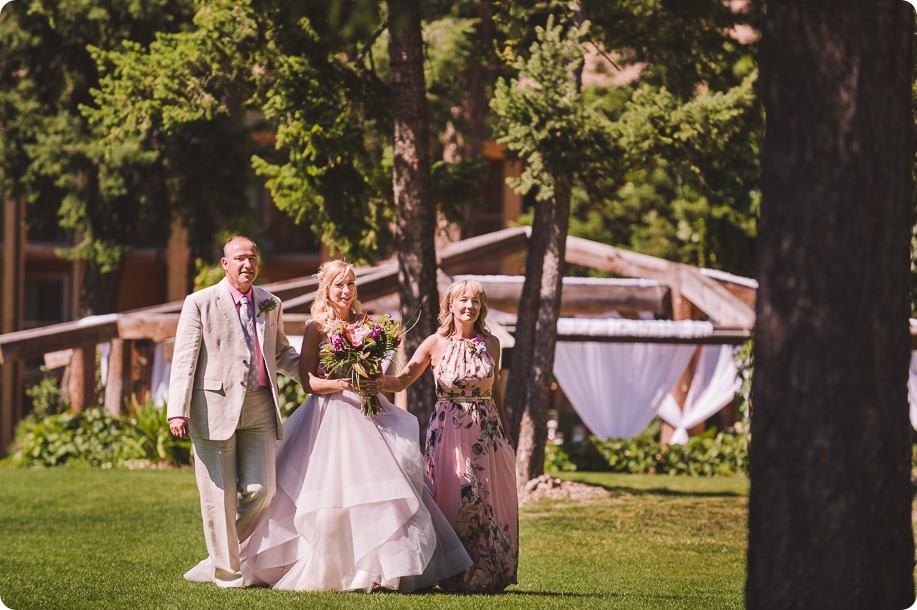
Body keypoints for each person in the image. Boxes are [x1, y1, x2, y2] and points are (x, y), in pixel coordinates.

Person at [185, 259, 471, 592]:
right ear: (327, 289)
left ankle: (376, 571)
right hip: (328, 417)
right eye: (339, 284)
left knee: (378, 490)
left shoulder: (369, 324)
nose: (346, 291)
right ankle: (322, 566)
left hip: (368, 414)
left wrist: (371, 380)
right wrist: (344, 384)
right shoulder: (316, 327)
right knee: (327, 493)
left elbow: (375, 372)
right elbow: (308, 382)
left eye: (350, 284)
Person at [167, 235, 301, 589]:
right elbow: (184, 358)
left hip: (259, 406)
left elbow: (283, 353)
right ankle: (228, 573)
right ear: (225, 264)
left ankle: (218, 553)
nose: (247, 264)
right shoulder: (199, 302)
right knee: (218, 496)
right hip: (212, 408)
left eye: (253, 258)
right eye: (240, 258)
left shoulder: (271, 302)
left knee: (263, 491)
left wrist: (319, 371)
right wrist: (176, 410)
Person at [382, 279, 518, 592]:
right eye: (463, 300)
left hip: (488, 431)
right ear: (451, 306)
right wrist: (372, 380)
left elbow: (494, 389)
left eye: (476, 301)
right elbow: (402, 380)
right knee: (456, 496)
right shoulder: (435, 343)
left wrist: (506, 434)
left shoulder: (492, 343)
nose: (469, 306)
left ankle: (483, 572)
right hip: (449, 430)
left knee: (486, 501)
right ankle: (449, 569)